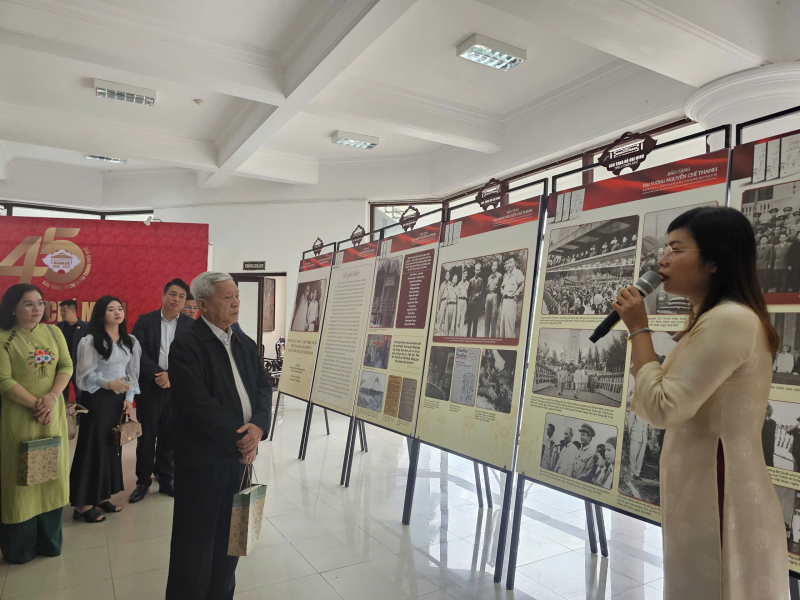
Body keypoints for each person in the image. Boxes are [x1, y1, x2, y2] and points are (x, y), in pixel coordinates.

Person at [614, 206, 789, 599]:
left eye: (675, 249)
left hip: (719, 485)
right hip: (699, 480)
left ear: (713, 260)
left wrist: (639, 329)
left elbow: (661, 407)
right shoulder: (708, 319)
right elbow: (653, 397)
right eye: (663, 249)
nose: (662, 259)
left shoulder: (730, 319)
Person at [166, 272, 272, 599]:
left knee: (231, 539)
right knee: (195, 543)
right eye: (227, 297)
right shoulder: (187, 344)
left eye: (236, 295)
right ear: (202, 305)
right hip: (203, 460)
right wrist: (241, 438)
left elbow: (263, 387)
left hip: (239, 459)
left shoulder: (243, 341)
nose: (236, 302)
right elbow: (197, 404)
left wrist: (258, 427)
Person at [0, 284, 72, 563]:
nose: (37, 309)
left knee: (50, 477)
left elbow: (66, 366)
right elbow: (4, 380)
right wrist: (36, 404)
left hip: (51, 418)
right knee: (20, 480)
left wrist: (52, 398)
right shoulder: (4, 337)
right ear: (12, 308)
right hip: (18, 421)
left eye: (40, 303)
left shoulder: (53, 332)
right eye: (28, 304)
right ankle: (21, 548)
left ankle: (49, 543)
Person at [70, 296, 140, 523]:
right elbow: (84, 375)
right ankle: (81, 504)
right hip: (98, 399)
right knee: (93, 447)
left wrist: (129, 397)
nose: (117, 312)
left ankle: (100, 496)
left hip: (118, 400)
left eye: (120, 308)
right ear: (101, 315)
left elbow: (132, 372)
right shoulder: (90, 341)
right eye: (111, 309)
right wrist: (109, 384)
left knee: (112, 447)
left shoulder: (129, 341)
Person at [129, 279, 193, 503]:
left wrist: (171, 376)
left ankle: (167, 480)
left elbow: (191, 358)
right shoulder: (145, 320)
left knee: (171, 438)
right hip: (150, 388)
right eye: (172, 294)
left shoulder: (190, 324)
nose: (176, 299)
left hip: (176, 391)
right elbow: (137, 352)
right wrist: (158, 374)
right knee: (146, 438)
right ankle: (143, 482)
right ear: (163, 295)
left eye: (181, 296)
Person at [56, 299, 87, 403]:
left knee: (81, 395)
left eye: (64, 310)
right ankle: (63, 417)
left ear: (73, 311)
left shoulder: (86, 328)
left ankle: (80, 418)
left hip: (80, 367)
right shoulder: (58, 327)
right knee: (61, 394)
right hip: (62, 366)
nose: (62, 313)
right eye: (61, 311)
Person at [498, 256, 524, 338]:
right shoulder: (506, 274)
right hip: (505, 301)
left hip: (512, 301)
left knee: (510, 325)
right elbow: (501, 287)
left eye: (511, 262)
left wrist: (517, 294)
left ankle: (509, 347)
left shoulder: (518, 273)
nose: (509, 264)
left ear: (514, 263)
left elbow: (523, 284)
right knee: (503, 324)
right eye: (508, 262)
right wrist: (503, 293)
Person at [484, 260, 502, 337]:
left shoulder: (500, 276)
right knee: (487, 317)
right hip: (488, 296)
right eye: (493, 265)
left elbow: (501, 288)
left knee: (493, 318)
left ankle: (492, 338)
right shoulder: (489, 277)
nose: (494, 267)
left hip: (495, 296)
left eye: (495, 265)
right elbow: (487, 288)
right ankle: (486, 337)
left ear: (497, 267)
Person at [465, 262, 484, 338]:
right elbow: (468, 293)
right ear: (474, 271)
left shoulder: (481, 280)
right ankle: (468, 337)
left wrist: (478, 294)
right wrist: (468, 303)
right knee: (469, 322)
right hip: (471, 305)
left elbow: (482, 291)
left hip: (477, 305)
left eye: (478, 270)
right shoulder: (470, 280)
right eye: (476, 270)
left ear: (480, 271)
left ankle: (474, 337)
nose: (477, 272)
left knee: (475, 322)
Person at [762, 403, 777, 468]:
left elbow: (772, 437)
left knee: (769, 465)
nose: (771, 412)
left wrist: (772, 449)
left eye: (772, 411)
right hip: (761, 447)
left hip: (769, 448)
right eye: (770, 411)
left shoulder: (773, 423)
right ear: (765, 411)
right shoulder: (761, 421)